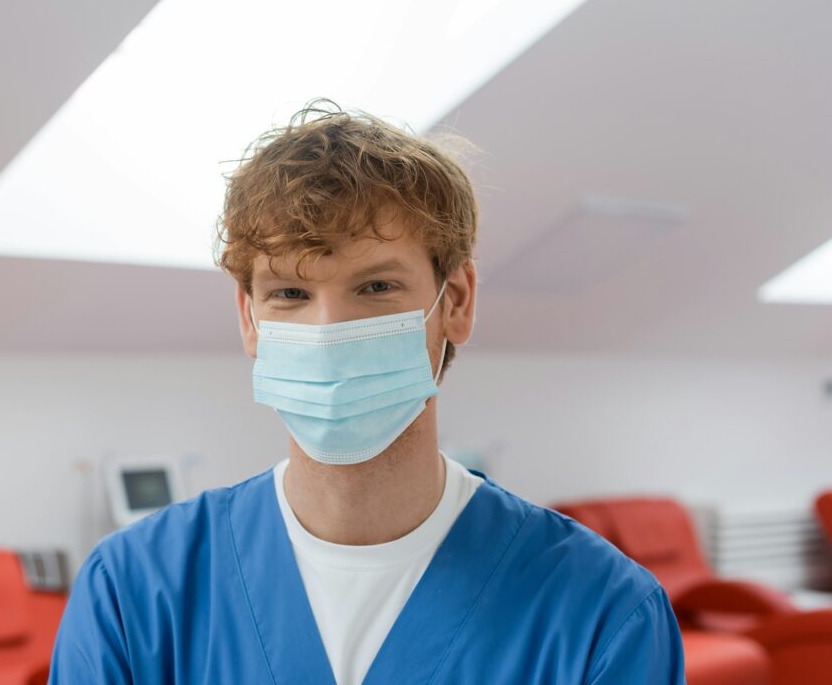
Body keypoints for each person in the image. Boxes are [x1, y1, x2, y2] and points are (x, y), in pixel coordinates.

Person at [48, 101, 687, 684]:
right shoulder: (136, 591)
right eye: (290, 294)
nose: (329, 331)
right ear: (250, 319)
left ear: (456, 301)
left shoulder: (600, 611)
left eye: (376, 288)